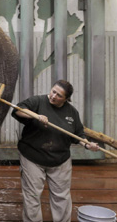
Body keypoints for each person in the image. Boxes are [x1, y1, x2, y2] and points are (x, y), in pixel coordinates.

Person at [12, 80, 100, 222]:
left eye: (59, 95)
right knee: (32, 196)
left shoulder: (72, 112)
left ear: (66, 99)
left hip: (60, 160)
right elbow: (17, 110)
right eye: (53, 91)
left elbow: (79, 134)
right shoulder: (38, 101)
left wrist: (88, 145)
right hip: (33, 157)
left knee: (62, 197)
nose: (53, 96)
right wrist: (35, 115)